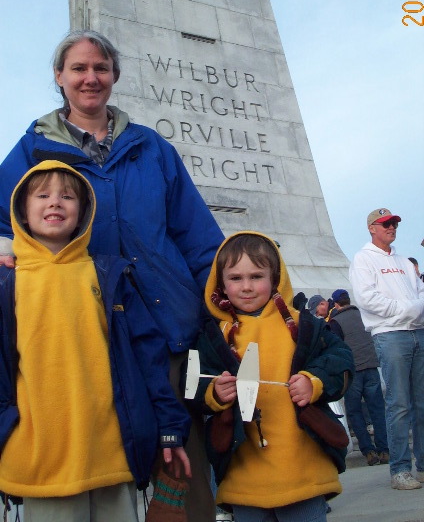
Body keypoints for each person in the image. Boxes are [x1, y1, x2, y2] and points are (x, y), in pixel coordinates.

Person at [0, 30, 224, 521]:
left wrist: (222, 301)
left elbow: (197, 235)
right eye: (78, 68)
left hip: (166, 329)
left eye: (100, 68)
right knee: (101, 474)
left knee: (181, 473)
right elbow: (4, 221)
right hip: (87, 335)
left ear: (115, 76)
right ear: (59, 77)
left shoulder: (152, 148)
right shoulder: (30, 151)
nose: (90, 78)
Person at [0, 160, 191, 521]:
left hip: (111, 454)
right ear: (22, 212)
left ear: (84, 212)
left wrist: (170, 427)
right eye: (43, 195)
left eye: (67, 196)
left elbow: (147, 359)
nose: (55, 202)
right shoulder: (7, 282)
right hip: (41, 462)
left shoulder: (110, 275)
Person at [190, 231, 354, 522]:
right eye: (235, 278)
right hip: (244, 476)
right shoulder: (214, 336)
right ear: (221, 285)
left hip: (302, 470)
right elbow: (195, 383)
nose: (247, 287)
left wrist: (313, 381)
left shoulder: (303, 326)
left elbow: (340, 360)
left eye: (256, 276)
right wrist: (214, 393)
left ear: (275, 277)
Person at [349, 208, 424, 490]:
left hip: (417, 332)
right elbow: (367, 298)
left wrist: (414, 311)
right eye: (386, 224)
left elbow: (420, 292)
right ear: (372, 228)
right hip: (390, 335)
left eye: (394, 223)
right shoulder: (363, 259)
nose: (392, 227)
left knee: (422, 404)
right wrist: (405, 310)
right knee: (399, 404)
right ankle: (400, 470)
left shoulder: (404, 261)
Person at [329, 289, 389, 466]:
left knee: (355, 413)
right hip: (371, 367)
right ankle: (384, 449)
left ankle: (368, 450)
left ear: (336, 304)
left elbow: (337, 348)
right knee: (377, 410)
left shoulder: (335, 322)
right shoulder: (363, 315)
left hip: (353, 372)